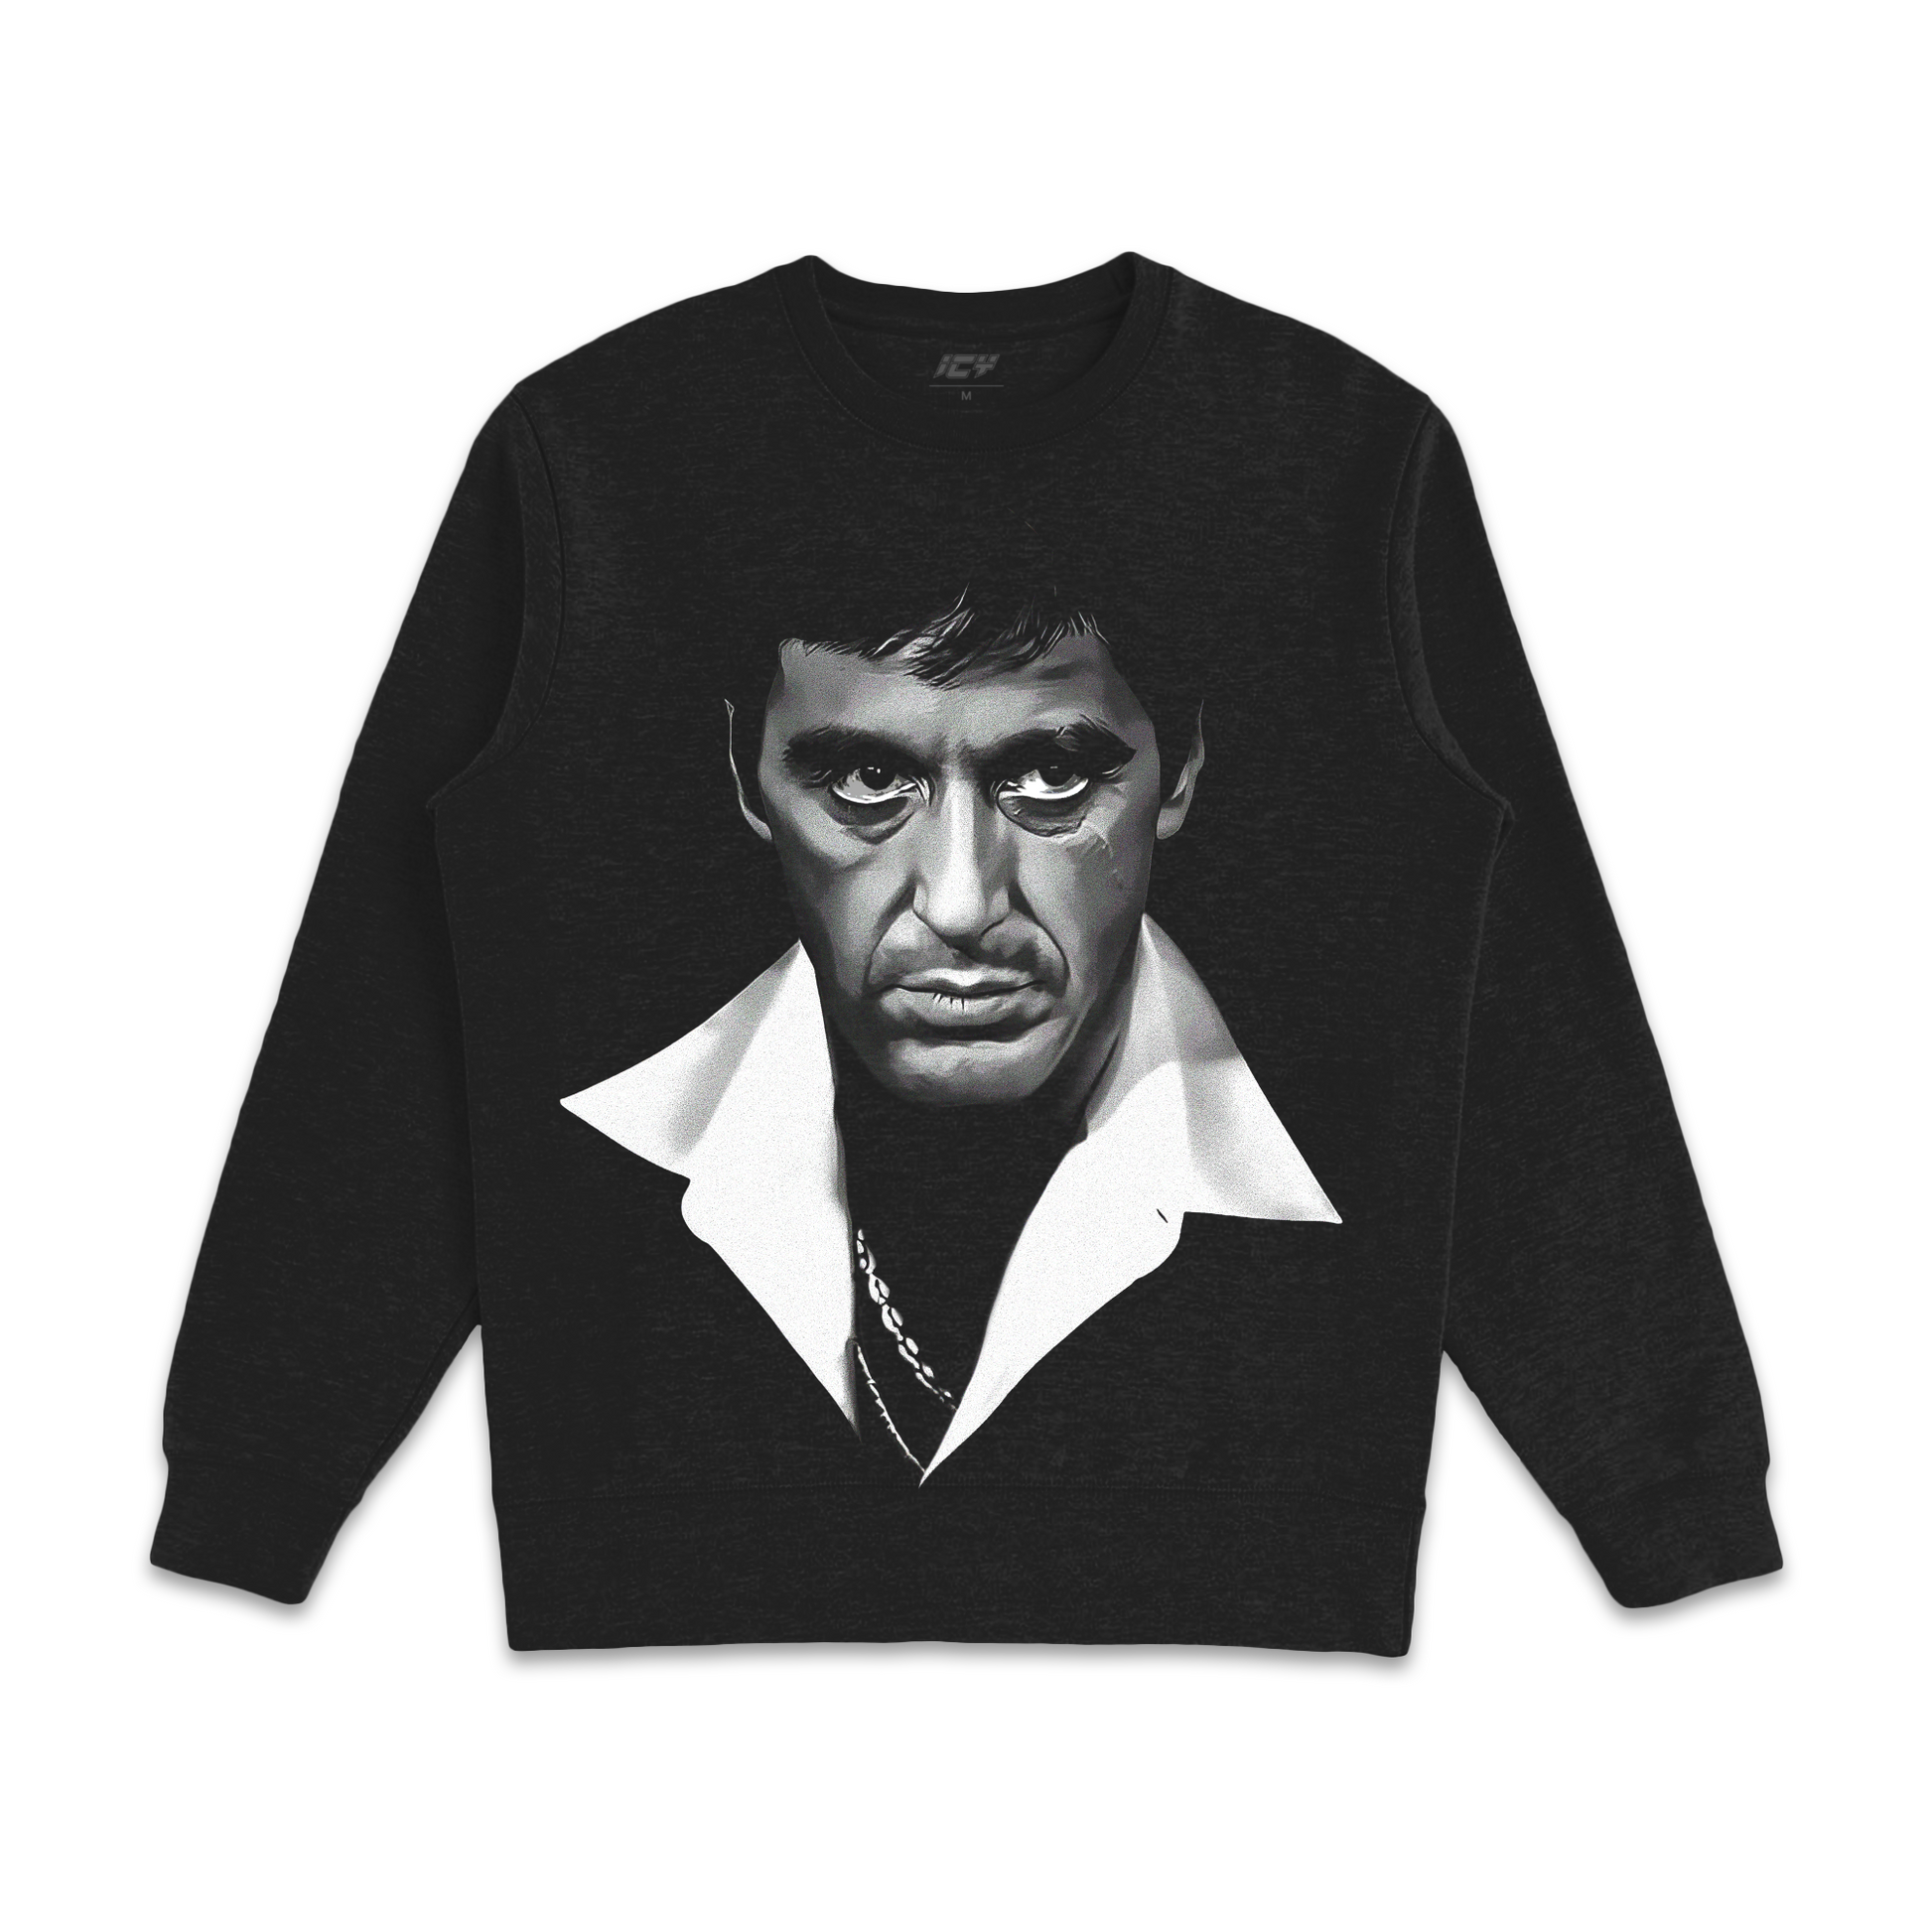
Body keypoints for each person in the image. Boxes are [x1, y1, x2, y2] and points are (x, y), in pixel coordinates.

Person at [562, 593, 1338, 1478]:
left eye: (1053, 774)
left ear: (1182, 768)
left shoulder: (1364, 1174)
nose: (962, 904)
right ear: (745, 778)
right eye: (867, 780)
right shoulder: (575, 1191)